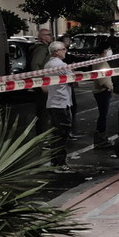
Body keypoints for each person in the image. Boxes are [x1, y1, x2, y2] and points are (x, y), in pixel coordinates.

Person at [43, 41, 75, 173]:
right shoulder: (61, 65)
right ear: (56, 52)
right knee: (62, 133)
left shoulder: (48, 64)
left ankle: (54, 161)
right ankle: (60, 163)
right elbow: (72, 80)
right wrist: (72, 71)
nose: (65, 51)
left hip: (52, 101)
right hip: (62, 102)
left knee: (56, 134)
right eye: (63, 49)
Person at [29, 28, 54, 136]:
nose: (51, 36)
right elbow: (35, 65)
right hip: (42, 84)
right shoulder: (41, 49)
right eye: (49, 35)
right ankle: (42, 136)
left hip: (44, 82)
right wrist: (42, 82)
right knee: (43, 112)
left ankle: (43, 135)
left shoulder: (44, 48)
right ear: (43, 37)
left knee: (45, 111)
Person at [92, 42, 113, 148]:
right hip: (102, 91)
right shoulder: (100, 62)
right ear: (105, 50)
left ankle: (101, 138)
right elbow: (102, 78)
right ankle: (101, 138)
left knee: (103, 114)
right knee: (103, 115)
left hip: (103, 90)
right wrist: (110, 87)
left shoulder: (101, 60)